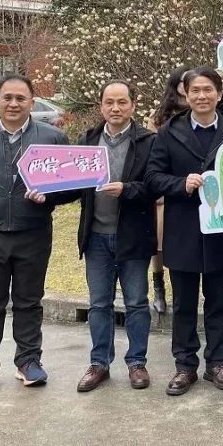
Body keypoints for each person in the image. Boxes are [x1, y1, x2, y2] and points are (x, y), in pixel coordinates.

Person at [0, 74, 75, 395]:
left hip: (34, 233)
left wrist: (48, 196)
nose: (13, 104)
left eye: (20, 98)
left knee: (28, 301)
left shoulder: (52, 139)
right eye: (7, 97)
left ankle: (28, 361)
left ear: (32, 103)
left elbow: (71, 188)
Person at [145, 67, 223, 397]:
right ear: (185, 94)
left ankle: (217, 362)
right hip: (182, 229)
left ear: (220, 92)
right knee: (184, 302)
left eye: (208, 90)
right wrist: (180, 184)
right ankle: (185, 366)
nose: (202, 96)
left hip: (219, 230)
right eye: (195, 90)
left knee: (218, 301)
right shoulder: (168, 132)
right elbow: (152, 177)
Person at [75, 81, 157, 392]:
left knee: (136, 303)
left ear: (133, 105)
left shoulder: (148, 141)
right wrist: (44, 192)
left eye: (122, 102)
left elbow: (154, 184)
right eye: (109, 102)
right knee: (99, 304)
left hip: (132, 236)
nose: (115, 108)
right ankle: (99, 363)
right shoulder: (88, 139)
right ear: (101, 106)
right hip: (95, 237)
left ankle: (137, 362)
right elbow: (73, 183)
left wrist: (127, 189)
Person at [147, 68, 189, 319]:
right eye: (184, 83)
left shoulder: (203, 111)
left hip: (193, 188)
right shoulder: (160, 116)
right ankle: (159, 285)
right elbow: (153, 154)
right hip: (165, 188)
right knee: (159, 242)